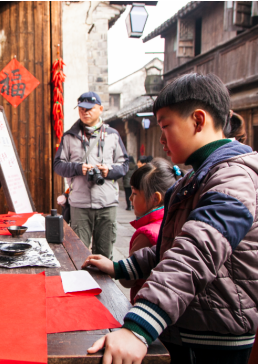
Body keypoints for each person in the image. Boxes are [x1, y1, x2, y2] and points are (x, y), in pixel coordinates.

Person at [82, 73, 258, 364]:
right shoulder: (198, 176)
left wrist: (138, 328)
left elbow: (195, 253)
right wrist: (119, 266)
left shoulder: (232, 179)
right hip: (188, 325)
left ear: (198, 121)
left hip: (212, 337)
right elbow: (170, 247)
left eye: (165, 126)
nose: (161, 139)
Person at [53, 91, 129, 259]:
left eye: (89, 109)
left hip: (107, 203)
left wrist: (108, 171)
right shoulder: (69, 136)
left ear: (100, 109)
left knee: (104, 254)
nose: (84, 112)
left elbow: (124, 166)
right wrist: (79, 168)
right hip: (80, 205)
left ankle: (102, 286)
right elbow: (58, 166)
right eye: (81, 109)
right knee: (78, 254)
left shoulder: (113, 135)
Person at [119, 158, 181, 304]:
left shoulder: (147, 235)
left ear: (155, 198)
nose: (130, 198)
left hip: (146, 303)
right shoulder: (176, 221)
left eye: (134, 193)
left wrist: (115, 268)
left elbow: (128, 280)